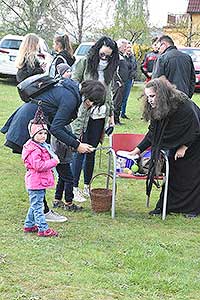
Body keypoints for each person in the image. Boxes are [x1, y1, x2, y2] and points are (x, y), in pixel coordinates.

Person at [1, 79, 106, 213]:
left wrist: (76, 142)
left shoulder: (71, 92)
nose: (91, 105)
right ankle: (42, 212)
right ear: (88, 96)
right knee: (37, 171)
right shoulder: (70, 98)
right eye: (93, 102)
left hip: (35, 124)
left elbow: (56, 124)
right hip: (30, 125)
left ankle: (42, 210)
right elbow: (57, 129)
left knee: (38, 170)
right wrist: (77, 145)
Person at [130, 76, 200, 218]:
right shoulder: (158, 108)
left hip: (194, 145)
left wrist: (184, 147)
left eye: (152, 96)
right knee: (172, 175)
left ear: (161, 94)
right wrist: (137, 150)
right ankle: (167, 206)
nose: (149, 100)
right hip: (177, 145)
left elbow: (196, 128)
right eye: (147, 96)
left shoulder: (183, 106)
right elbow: (153, 133)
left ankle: (191, 209)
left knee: (190, 177)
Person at [71, 36, 119, 201]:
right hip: (84, 113)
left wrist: (111, 116)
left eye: (108, 56)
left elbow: (110, 93)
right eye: (102, 54)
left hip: (100, 115)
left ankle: (86, 185)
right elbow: (74, 82)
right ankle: (74, 187)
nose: (104, 58)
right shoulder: (85, 62)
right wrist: (86, 98)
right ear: (98, 50)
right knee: (79, 150)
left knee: (91, 150)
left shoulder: (110, 70)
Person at [22, 107, 60, 237]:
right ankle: (43, 229)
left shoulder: (41, 146)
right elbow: (38, 166)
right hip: (35, 182)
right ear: (33, 134)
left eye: (45, 133)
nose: (43, 136)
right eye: (39, 133)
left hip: (39, 181)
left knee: (35, 204)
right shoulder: (34, 149)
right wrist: (53, 162)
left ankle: (28, 225)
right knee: (38, 207)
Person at [113, 38, 129, 125]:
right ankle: (115, 120)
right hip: (118, 83)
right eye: (124, 46)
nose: (125, 48)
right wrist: (118, 81)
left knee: (119, 101)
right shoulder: (117, 56)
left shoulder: (122, 56)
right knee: (117, 101)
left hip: (122, 82)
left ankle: (117, 119)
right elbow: (115, 70)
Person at [120, 42, 137, 119]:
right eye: (127, 47)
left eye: (130, 47)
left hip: (129, 79)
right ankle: (117, 113)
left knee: (125, 97)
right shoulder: (122, 57)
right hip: (122, 79)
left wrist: (133, 76)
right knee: (119, 97)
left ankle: (123, 113)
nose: (129, 49)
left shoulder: (133, 57)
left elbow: (135, 67)